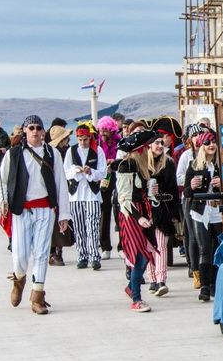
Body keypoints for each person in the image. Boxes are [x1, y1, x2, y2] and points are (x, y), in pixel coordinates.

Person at [0, 115, 72, 315]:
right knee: (20, 254)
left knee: (41, 254)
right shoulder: (13, 154)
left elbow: (60, 184)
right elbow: (2, 183)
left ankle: (37, 296)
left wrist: (64, 214)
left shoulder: (52, 153)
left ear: (43, 132)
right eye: (31, 127)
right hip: (21, 210)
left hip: (45, 210)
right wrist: (1, 201)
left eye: (39, 127)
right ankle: (19, 279)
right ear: (24, 131)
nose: (35, 131)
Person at [116, 129, 161, 313]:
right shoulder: (125, 166)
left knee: (146, 254)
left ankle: (131, 287)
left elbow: (147, 195)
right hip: (131, 215)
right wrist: (139, 217)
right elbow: (124, 198)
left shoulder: (143, 168)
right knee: (139, 256)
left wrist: (154, 195)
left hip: (143, 211)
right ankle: (136, 298)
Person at [184, 130, 223, 302]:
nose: (211, 145)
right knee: (204, 249)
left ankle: (217, 284)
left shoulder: (222, 165)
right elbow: (186, 193)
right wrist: (192, 187)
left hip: (219, 211)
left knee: (220, 248)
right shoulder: (194, 166)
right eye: (207, 143)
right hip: (201, 211)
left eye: (213, 142)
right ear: (201, 146)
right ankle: (205, 287)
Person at [66, 122, 107, 270]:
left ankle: (94, 256)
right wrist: (75, 170)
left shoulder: (98, 151)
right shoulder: (71, 151)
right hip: (76, 195)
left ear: (90, 138)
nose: (83, 142)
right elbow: (66, 172)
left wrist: (91, 173)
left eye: (85, 139)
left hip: (92, 194)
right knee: (79, 226)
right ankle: (82, 256)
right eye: (80, 139)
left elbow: (103, 172)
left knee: (93, 225)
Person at [145, 136, 181, 297]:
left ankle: (161, 280)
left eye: (161, 143)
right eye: (156, 143)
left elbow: (173, 188)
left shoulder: (168, 163)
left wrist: (174, 213)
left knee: (161, 245)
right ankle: (152, 279)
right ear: (150, 145)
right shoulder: (143, 163)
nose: (160, 146)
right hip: (147, 210)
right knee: (148, 246)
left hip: (164, 210)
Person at [177, 123, 211, 289]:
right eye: (196, 135)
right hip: (190, 198)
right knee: (192, 235)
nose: (199, 138)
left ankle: (206, 271)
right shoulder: (186, 156)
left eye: (201, 135)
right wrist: (189, 182)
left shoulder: (211, 157)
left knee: (206, 238)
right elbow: (179, 177)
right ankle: (194, 268)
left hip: (208, 201)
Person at [47, 125, 73, 266]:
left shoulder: (65, 151)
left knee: (62, 222)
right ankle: (52, 253)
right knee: (54, 224)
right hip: (54, 191)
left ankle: (58, 252)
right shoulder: (52, 154)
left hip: (64, 190)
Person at [96, 116, 121, 260]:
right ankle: (105, 247)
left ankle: (122, 247)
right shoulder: (97, 144)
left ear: (112, 130)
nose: (103, 132)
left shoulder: (119, 143)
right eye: (101, 130)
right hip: (103, 181)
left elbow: (124, 159)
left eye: (106, 130)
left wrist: (114, 161)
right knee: (104, 215)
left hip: (117, 180)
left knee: (119, 215)